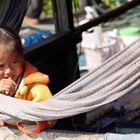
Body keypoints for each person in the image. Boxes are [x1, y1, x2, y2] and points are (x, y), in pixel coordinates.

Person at [0, 26, 56, 134]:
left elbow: (49, 117)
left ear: (22, 58)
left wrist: (12, 112)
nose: (8, 71)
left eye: (14, 62)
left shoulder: (34, 85)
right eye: (0, 66)